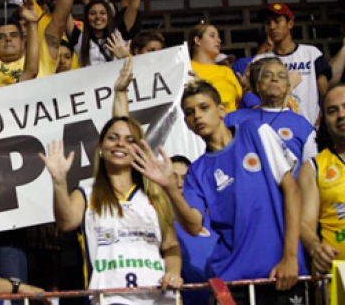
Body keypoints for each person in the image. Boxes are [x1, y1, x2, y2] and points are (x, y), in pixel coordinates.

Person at [131, 79, 308, 304]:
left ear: (222, 110)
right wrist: (169, 188)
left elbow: (292, 192)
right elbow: (194, 226)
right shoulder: (197, 171)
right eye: (189, 112)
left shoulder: (256, 132)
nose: (197, 116)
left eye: (204, 107)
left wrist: (290, 256)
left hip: (283, 272)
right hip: (234, 283)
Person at [41, 118, 182, 305]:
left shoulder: (154, 194)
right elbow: (67, 222)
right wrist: (59, 181)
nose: (120, 144)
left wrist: (173, 273)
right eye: (113, 138)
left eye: (129, 140)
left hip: (159, 299)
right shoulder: (86, 192)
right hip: (109, 298)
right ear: (100, 146)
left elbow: (170, 246)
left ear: (138, 149)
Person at [225, 57, 317, 169]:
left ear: (289, 88)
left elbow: (311, 173)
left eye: (281, 76)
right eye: (267, 75)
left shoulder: (303, 126)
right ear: (258, 86)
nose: (274, 79)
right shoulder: (233, 119)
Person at [253, 3, 331, 126]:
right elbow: (255, 100)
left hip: (310, 129)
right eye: (268, 23)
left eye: (277, 21)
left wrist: (319, 123)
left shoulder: (311, 54)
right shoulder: (260, 61)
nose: (272, 27)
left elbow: (326, 95)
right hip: (273, 129)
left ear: (290, 24)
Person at [298, 84, 345, 273]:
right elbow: (305, 223)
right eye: (333, 111)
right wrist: (315, 248)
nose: (341, 115)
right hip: (338, 278)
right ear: (324, 119)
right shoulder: (313, 168)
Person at [170, 155, 217, 305]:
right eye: (173, 177)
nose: (179, 184)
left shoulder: (215, 219)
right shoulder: (160, 221)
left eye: (184, 178)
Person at [187, 23, 242, 112]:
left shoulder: (226, 71)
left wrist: (248, 87)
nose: (219, 40)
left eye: (218, 37)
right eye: (212, 36)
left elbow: (240, 101)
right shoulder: (187, 68)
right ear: (197, 40)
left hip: (231, 122)